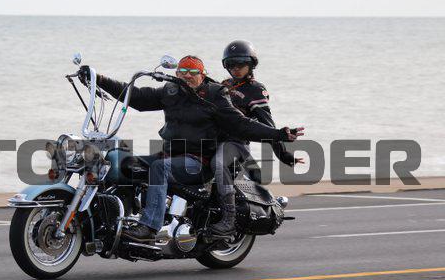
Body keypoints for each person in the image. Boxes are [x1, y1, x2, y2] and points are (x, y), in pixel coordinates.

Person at [78, 55, 303, 242]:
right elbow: (135, 96)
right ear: (176, 74)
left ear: (202, 75)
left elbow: (241, 124)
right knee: (120, 162)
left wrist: (279, 135)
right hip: (170, 155)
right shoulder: (170, 92)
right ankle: (117, 220)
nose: (187, 75)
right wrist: (99, 79)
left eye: (193, 72)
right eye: (183, 71)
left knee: (159, 168)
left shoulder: (215, 94)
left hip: (198, 160)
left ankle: (149, 227)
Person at [210, 40, 304, 235]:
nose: (235, 69)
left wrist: (283, 155)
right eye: (231, 64)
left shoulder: (255, 90)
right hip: (211, 141)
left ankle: (229, 219)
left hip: (235, 144)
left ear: (251, 65)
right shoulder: (223, 85)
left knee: (218, 164)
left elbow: (267, 125)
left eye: (241, 64)